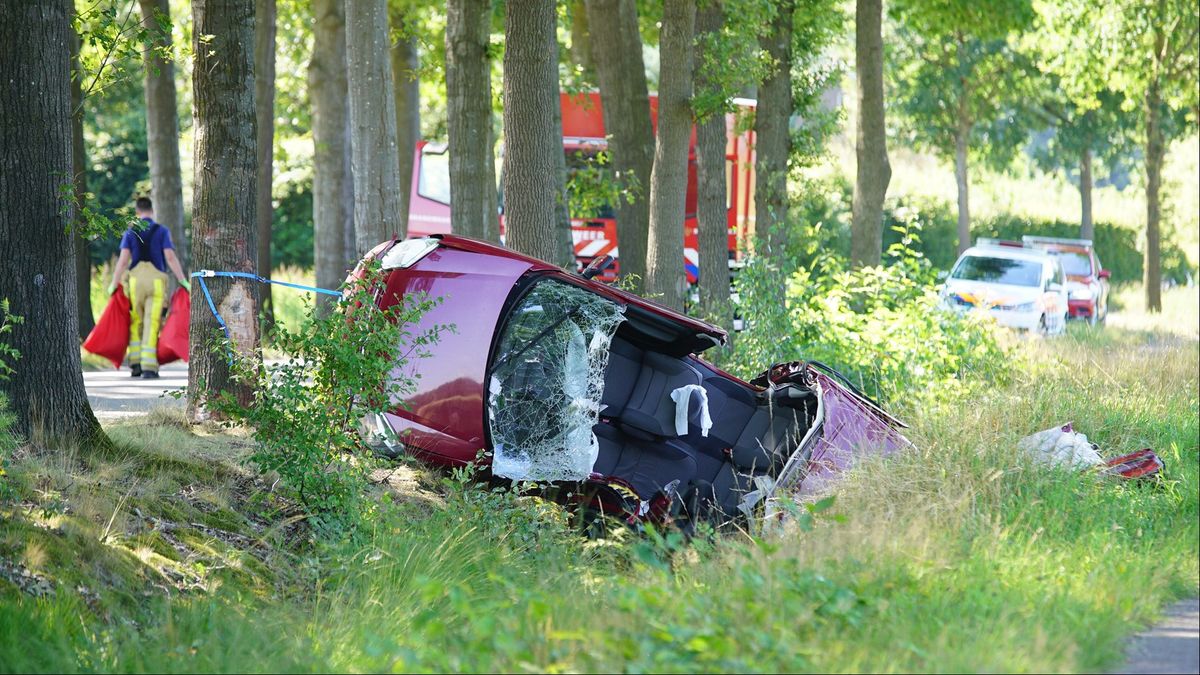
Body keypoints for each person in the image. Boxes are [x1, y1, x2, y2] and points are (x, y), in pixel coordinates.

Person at [107, 197, 190, 379]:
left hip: (136, 280)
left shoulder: (130, 232)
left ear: (137, 212)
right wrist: (183, 280)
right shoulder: (161, 231)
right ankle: (149, 368)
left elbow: (123, 260)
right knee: (152, 322)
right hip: (156, 281)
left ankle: (135, 364)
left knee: (136, 319)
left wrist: (114, 283)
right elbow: (169, 257)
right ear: (152, 211)